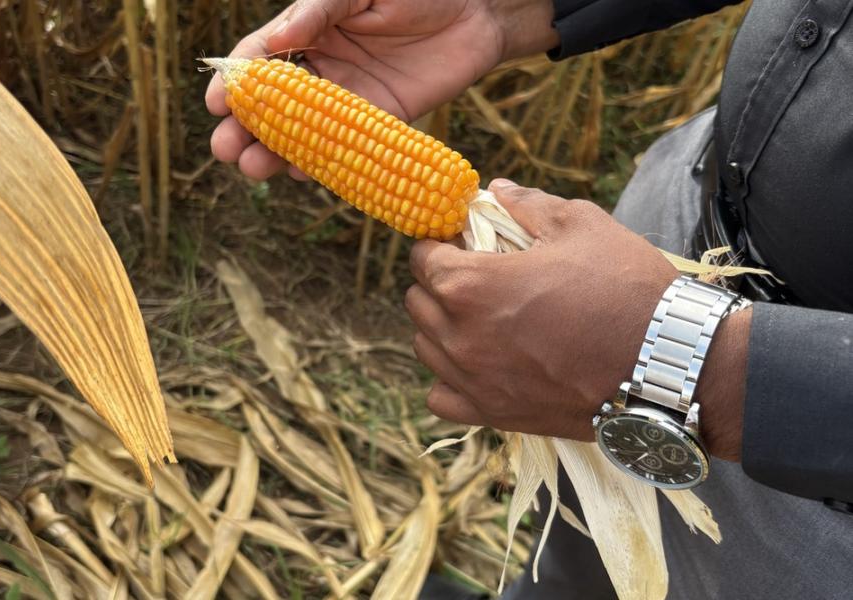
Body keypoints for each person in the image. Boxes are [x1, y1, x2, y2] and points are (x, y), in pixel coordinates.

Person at [206, 1, 853, 598]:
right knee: (584, 544)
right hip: (681, 217)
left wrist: (708, 371)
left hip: (812, 481)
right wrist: (502, 9)